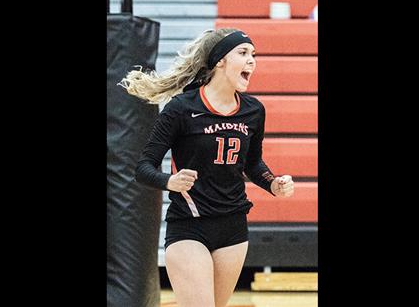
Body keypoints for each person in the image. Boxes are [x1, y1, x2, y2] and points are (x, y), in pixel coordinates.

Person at [119, 28, 295, 307]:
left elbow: (252, 163)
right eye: (243, 53)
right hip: (189, 226)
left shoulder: (253, 110)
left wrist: (273, 183)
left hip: (234, 227)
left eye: (254, 55)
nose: (252, 60)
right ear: (220, 60)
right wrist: (169, 181)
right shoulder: (181, 108)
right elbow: (143, 167)